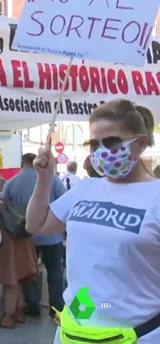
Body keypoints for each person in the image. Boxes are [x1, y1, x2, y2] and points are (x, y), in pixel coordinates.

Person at [26, 99, 160, 344]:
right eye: (94, 144)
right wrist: (44, 180)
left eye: (112, 142)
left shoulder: (155, 196)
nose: (102, 151)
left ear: (140, 143)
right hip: (75, 328)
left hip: (137, 333)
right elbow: (36, 225)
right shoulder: (85, 189)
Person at [3, 153, 66, 318]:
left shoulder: (11, 182)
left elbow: (3, 204)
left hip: (26, 235)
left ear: (22, 163)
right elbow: (64, 201)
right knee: (54, 270)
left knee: (30, 271)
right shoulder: (54, 180)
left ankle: (33, 306)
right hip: (52, 235)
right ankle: (56, 307)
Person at [0, 163, 38, 329]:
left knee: (9, 279)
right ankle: (19, 312)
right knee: (18, 277)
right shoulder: (4, 185)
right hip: (21, 235)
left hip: (9, 239)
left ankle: (7, 317)